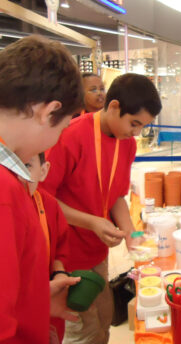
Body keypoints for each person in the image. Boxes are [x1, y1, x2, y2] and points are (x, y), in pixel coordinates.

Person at [42, 73, 162, 344]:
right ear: (114, 106)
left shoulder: (127, 144)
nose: (136, 133)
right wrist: (92, 222)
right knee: (81, 330)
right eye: (134, 123)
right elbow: (43, 199)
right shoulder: (70, 135)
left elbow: (117, 195)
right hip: (65, 257)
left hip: (96, 252)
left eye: (143, 126)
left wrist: (132, 237)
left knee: (103, 322)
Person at [0, 35, 82, 343]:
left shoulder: (14, 182)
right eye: (62, 128)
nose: (59, 138)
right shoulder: (4, 192)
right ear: (48, 112)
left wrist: (36, 299)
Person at [23, 153, 70, 343]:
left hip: (49, 307)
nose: (13, 174)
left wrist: (59, 274)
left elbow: (60, 248)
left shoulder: (49, 205)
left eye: (25, 165)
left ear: (43, 171)